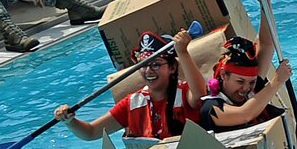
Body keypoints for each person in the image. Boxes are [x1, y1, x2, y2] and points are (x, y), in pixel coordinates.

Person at [55, 29, 196, 140]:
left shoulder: (185, 92)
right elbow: (91, 132)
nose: (148, 71)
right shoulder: (132, 103)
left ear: (172, 67)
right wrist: (70, 121)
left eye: (156, 65)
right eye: (144, 65)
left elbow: (200, 95)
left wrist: (182, 52)